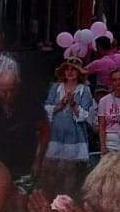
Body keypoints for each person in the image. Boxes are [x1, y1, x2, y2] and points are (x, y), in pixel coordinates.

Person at [39, 59, 96, 193]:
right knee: (50, 168)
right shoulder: (56, 87)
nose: (70, 72)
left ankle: (64, 201)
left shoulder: (84, 90)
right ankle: (50, 199)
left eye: (73, 69)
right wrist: (60, 105)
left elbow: (86, 115)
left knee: (69, 169)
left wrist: (73, 103)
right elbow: (47, 108)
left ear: (79, 72)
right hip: (55, 134)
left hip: (74, 135)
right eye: (67, 69)